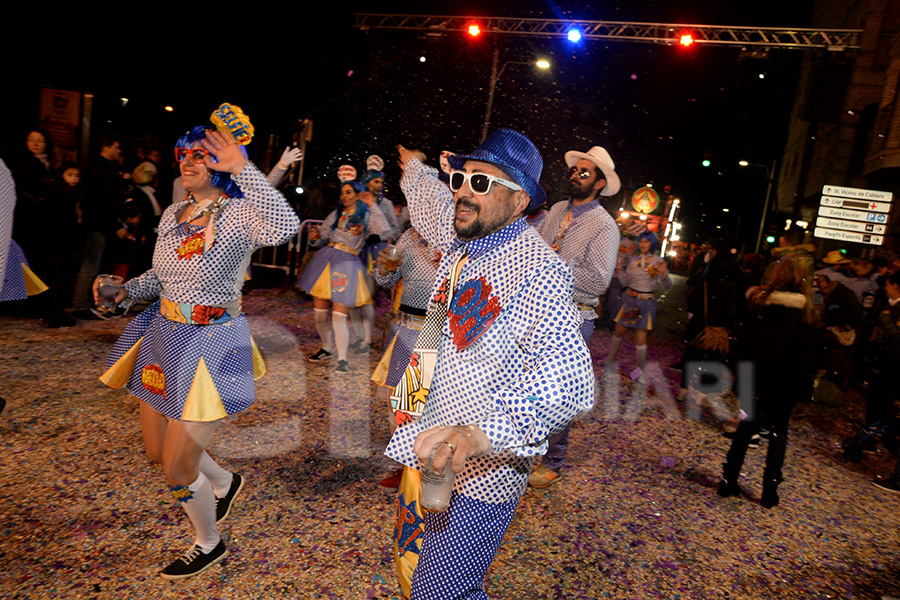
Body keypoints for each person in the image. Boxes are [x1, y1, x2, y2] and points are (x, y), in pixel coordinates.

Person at [390, 129, 593, 599]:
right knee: (416, 569)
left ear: (519, 202)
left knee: (444, 591)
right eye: (462, 177)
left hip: (484, 470)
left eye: (482, 183)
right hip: (430, 446)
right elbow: (428, 201)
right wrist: (415, 166)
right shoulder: (466, 237)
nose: (462, 191)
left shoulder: (536, 271)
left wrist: (477, 435)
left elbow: (571, 379)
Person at [97, 123, 300, 579]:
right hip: (162, 337)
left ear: (222, 163)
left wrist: (244, 169)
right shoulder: (173, 212)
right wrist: (122, 292)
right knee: (156, 454)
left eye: (198, 155)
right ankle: (225, 482)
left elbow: (285, 226)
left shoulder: (241, 212)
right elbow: (160, 277)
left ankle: (208, 542)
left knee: (177, 469)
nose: (186, 162)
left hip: (212, 344)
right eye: (182, 154)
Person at [529, 145, 620, 488]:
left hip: (572, 318)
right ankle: (519, 450)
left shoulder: (604, 227)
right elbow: (532, 253)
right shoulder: (554, 211)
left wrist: (553, 267)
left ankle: (553, 460)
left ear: (599, 184)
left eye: (584, 173)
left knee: (556, 392)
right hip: (534, 311)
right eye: (574, 171)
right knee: (522, 382)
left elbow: (597, 280)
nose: (575, 176)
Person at [716, 254, 817, 508]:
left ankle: (729, 480)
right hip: (785, 380)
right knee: (778, 433)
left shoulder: (761, 305)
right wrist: (804, 395)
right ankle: (769, 491)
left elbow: (744, 344)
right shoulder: (806, 314)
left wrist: (739, 376)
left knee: (746, 427)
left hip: (756, 376)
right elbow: (806, 358)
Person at [370, 226, 441, 490]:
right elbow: (387, 281)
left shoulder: (459, 235)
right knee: (396, 404)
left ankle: (430, 473)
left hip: (437, 331)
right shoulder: (410, 235)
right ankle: (406, 466)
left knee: (428, 406)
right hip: (403, 328)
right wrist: (385, 269)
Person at [296, 176, 389, 373]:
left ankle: (342, 359)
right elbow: (321, 239)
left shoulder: (367, 216)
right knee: (320, 315)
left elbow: (385, 230)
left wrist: (372, 204)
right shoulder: (335, 215)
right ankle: (326, 348)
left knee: (339, 316)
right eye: (342, 193)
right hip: (325, 262)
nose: (344, 196)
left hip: (347, 264)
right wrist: (314, 238)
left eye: (348, 192)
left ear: (358, 194)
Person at [605, 230, 672, 378]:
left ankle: (641, 369)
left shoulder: (657, 260)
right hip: (629, 299)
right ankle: (611, 358)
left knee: (640, 337)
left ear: (652, 243)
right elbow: (625, 283)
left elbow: (668, 286)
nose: (643, 244)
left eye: (646, 241)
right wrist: (619, 270)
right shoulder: (634, 260)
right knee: (619, 331)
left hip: (645, 302)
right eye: (641, 241)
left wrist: (663, 274)